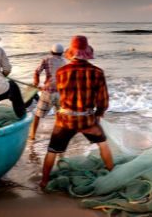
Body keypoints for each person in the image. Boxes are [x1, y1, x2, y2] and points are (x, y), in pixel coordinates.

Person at [40, 35, 113, 189]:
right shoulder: (97, 72)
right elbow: (103, 101)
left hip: (65, 120)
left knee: (52, 151)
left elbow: (60, 94)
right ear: (87, 53)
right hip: (87, 120)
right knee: (103, 145)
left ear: (71, 53)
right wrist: (98, 114)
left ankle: (44, 182)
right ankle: (112, 175)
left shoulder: (61, 72)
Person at [29, 43, 67, 139]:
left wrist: (36, 83)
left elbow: (37, 71)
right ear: (62, 53)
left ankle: (32, 136)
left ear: (51, 52)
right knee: (59, 116)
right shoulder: (65, 62)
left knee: (38, 114)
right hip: (60, 93)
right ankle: (59, 136)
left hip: (48, 92)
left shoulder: (46, 59)